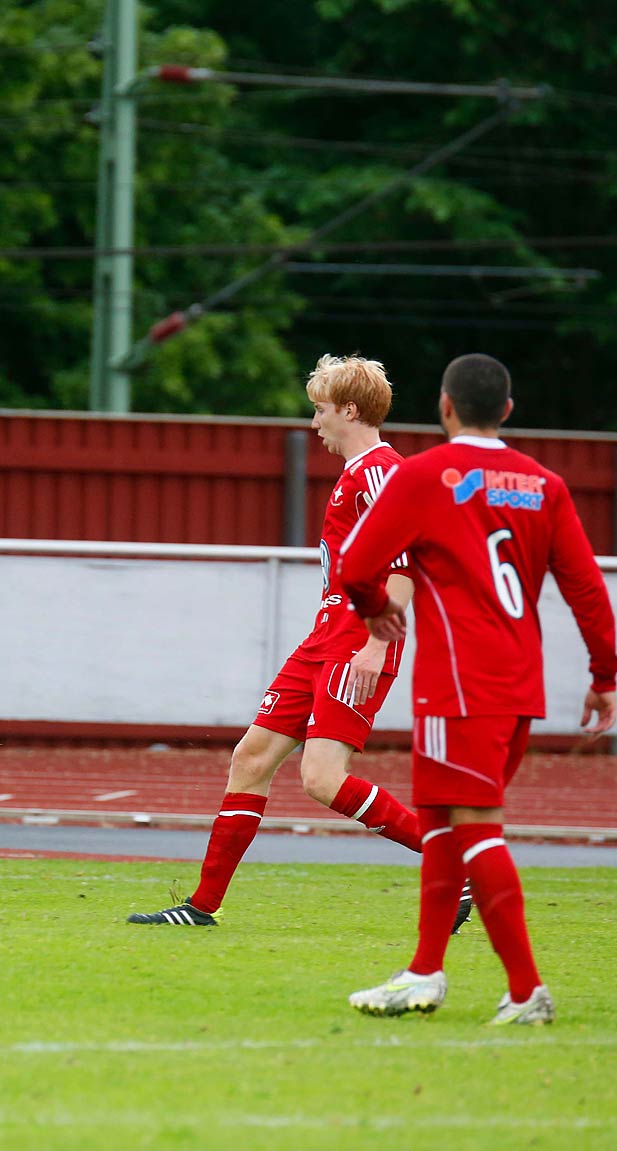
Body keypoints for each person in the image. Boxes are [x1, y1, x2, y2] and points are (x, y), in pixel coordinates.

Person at [129, 355, 469, 932]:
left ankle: (457, 868)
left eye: (321, 410)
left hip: (357, 637)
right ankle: (200, 906)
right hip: (324, 635)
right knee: (251, 757)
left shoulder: (381, 471)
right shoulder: (356, 473)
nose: (315, 424)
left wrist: (375, 643)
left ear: (350, 411)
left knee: (320, 779)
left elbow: (408, 561)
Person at [341, 353, 617, 1025]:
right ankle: (424, 973)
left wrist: (375, 604)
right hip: (520, 686)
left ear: (444, 407)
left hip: (459, 688)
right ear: (508, 411)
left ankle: (527, 991)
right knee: (440, 822)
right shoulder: (543, 484)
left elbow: (356, 564)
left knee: (474, 829)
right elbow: (584, 584)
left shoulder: (425, 475)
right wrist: (604, 674)